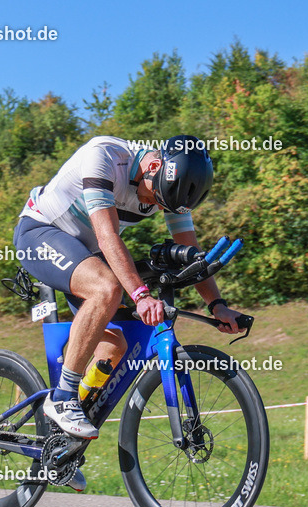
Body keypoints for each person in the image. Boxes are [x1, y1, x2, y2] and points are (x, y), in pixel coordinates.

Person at [13, 134, 243, 448]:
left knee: (115, 347)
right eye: (155, 198)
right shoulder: (105, 156)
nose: (153, 206)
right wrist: (140, 294)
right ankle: (63, 397)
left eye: (163, 205)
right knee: (107, 289)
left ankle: (59, 443)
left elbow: (192, 250)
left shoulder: (167, 188)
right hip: (40, 233)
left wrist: (217, 304)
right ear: (154, 165)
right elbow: (107, 237)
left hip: (83, 252)